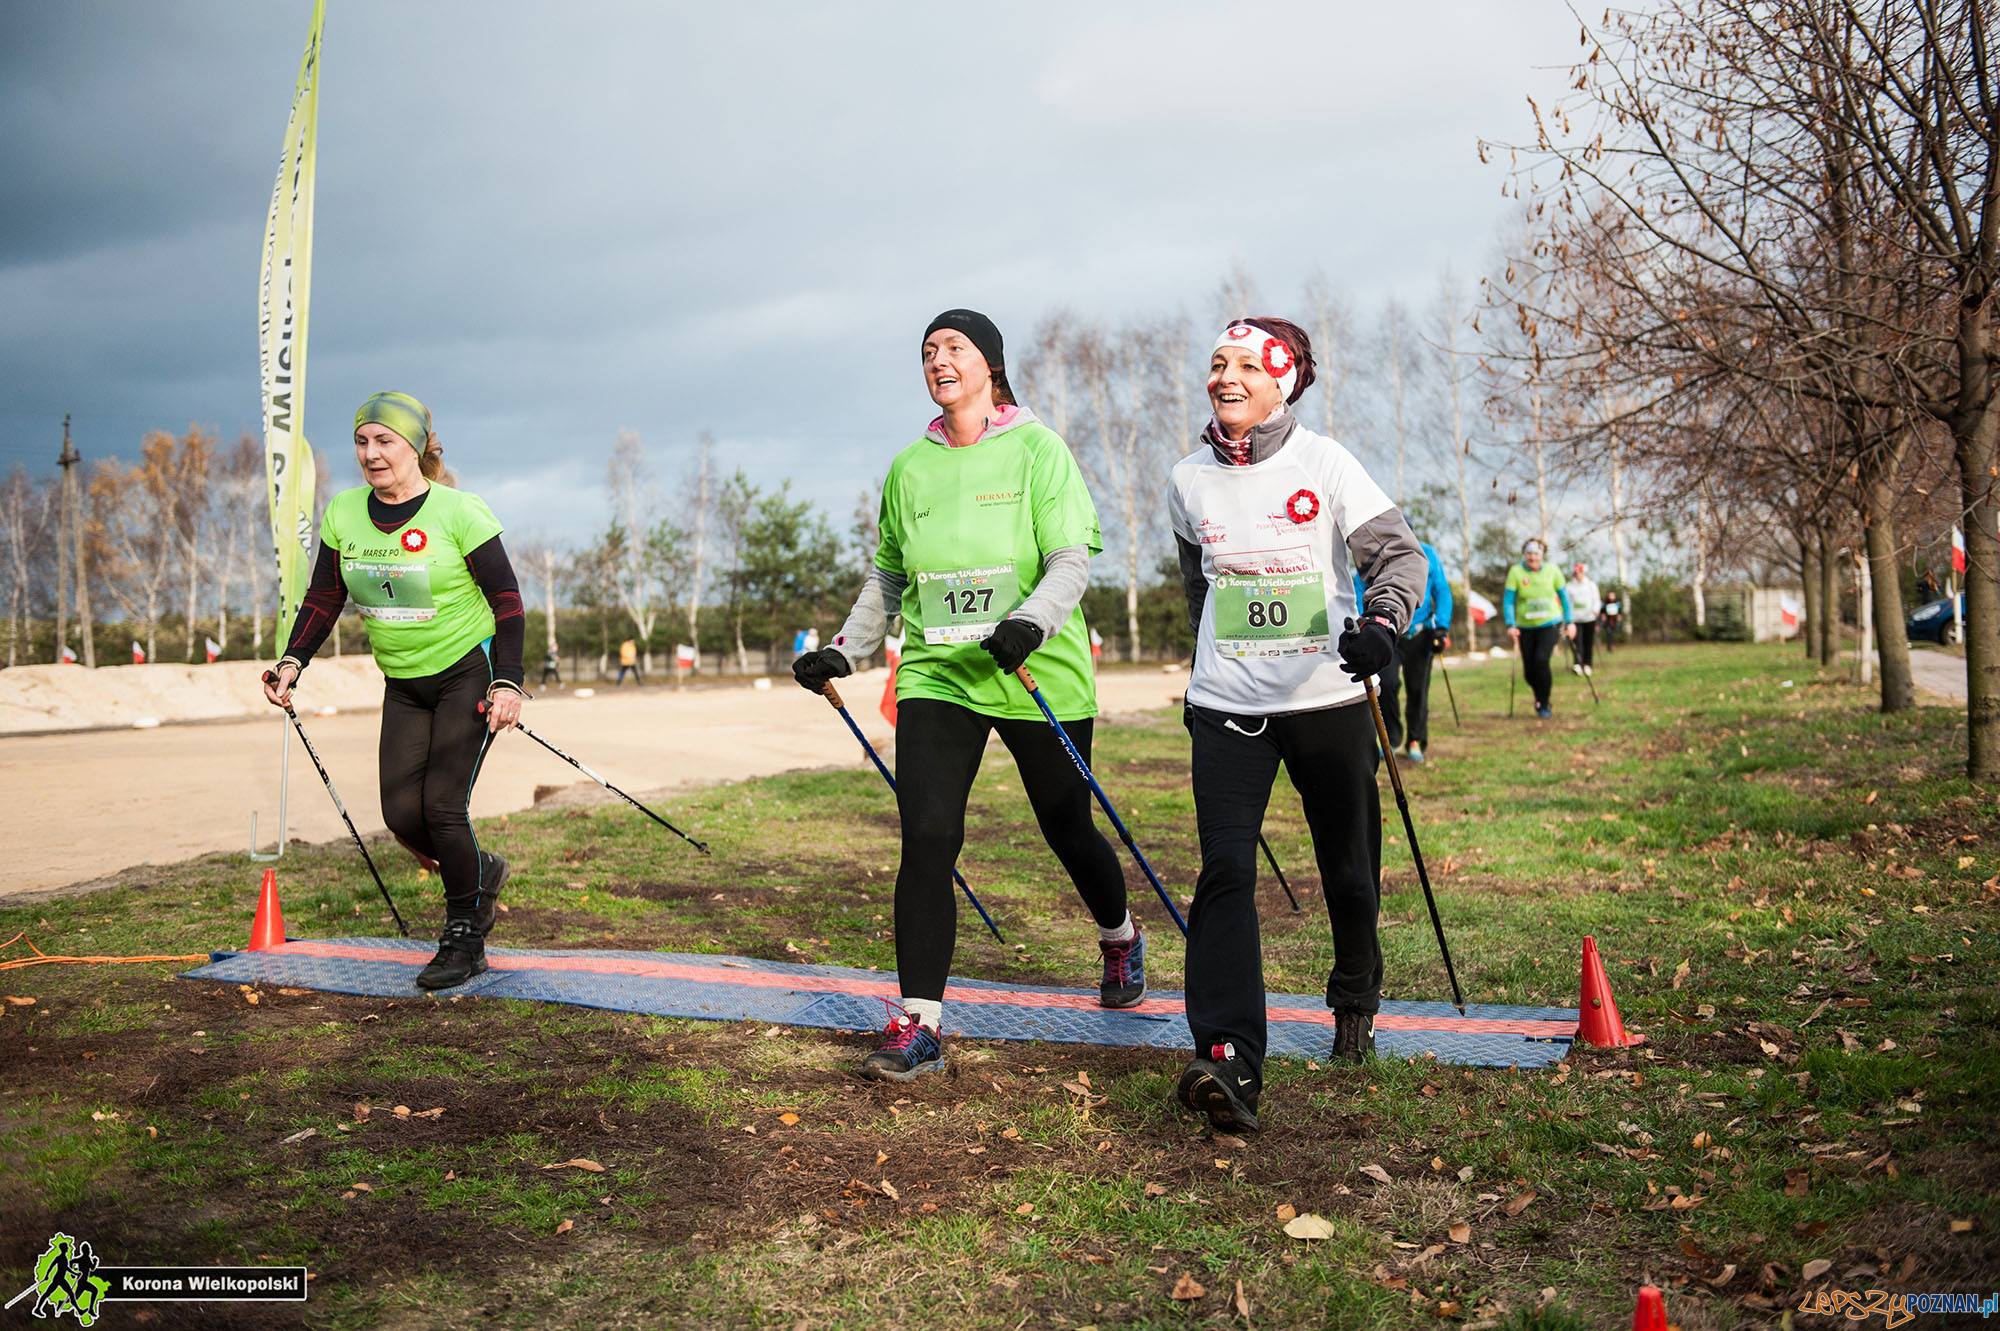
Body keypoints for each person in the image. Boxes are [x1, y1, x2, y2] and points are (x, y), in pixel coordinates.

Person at [790, 308, 1139, 1082]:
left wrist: (1029, 623)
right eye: (927, 351)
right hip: (938, 673)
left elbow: (1071, 560)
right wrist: (844, 649)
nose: (938, 359)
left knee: (1065, 824)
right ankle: (920, 1023)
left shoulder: (1038, 449)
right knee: (928, 835)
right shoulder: (909, 467)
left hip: (1033, 666)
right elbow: (889, 576)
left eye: (954, 347)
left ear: (990, 365)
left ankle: (1119, 935)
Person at [1168, 316, 1426, 1133]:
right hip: (1228, 706)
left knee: (1348, 872)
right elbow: (1201, 592)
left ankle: (1355, 998)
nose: (1226, 377)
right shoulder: (1187, 479)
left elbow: (1399, 558)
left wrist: (1381, 626)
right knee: (1224, 872)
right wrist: (1207, 669)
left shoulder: (1326, 462)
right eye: (1218, 363)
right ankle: (1228, 1055)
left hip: (1326, 699)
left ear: (1284, 380)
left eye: (1248, 364)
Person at [262, 391, 524, 990]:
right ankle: (480, 869)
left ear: (416, 447)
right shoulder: (344, 513)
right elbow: (325, 596)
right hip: (403, 682)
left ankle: (464, 939)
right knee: (401, 814)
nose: (371, 454)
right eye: (362, 441)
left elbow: (508, 602)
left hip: (467, 670)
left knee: (442, 807)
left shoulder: (460, 511)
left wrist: (508, 681)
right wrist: (293, 661)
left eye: (385, 441)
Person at [1357, 538, 1453, 763]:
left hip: (1420, 633)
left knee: (1418, 689)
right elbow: (1358, 589)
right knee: (1386, 684)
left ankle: (1415, 740)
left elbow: (1442, 590)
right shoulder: (1373, 553)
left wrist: (1442, 627)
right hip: (1386, 632)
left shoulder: (1426, 552)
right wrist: (1362, 622)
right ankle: (1391, 737)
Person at [1503, 538, 1572, 719]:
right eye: (1529, 553)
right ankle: (1539, 696)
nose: (1532, 557)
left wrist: (1570, 621)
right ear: (1524, 554)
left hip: (1550, 623)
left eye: (1536, 554)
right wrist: (1510, 624)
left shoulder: (1553, 571)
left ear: (1542, 555)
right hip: (1525, 627)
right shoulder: (1516, 572)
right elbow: (1509, 601)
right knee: (1529, 672)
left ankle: (1544, 702)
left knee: (1541, 661)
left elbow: (1564, 598)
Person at [1566, 562, 1602, 675]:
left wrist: (1595, 610)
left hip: (1589, 618)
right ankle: (1577, 664)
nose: (1577, 575)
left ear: (1583, 572)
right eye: (1576, 573)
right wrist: (1567, 617)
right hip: (1575, 619)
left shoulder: (1591, 585)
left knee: (1588, 642)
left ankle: (1587, 664)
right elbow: (1566, 602)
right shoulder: (1569, 586)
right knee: (1577, 642)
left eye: (1579, 572)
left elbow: (1596, 600)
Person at [1601, 588, 1623, 652]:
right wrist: (1603, 616)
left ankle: (1613, 644)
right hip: (1608, 620)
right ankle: (1609, 646)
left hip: (1615, 620)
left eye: (1612, 595)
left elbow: (1619, 611)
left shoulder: (1617, 603)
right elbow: (1602, 611)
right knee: (1609, 632)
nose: (1611, 597)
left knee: (1613, 633)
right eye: (1610, 595)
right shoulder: (1605, 603)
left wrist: (1619, 616)